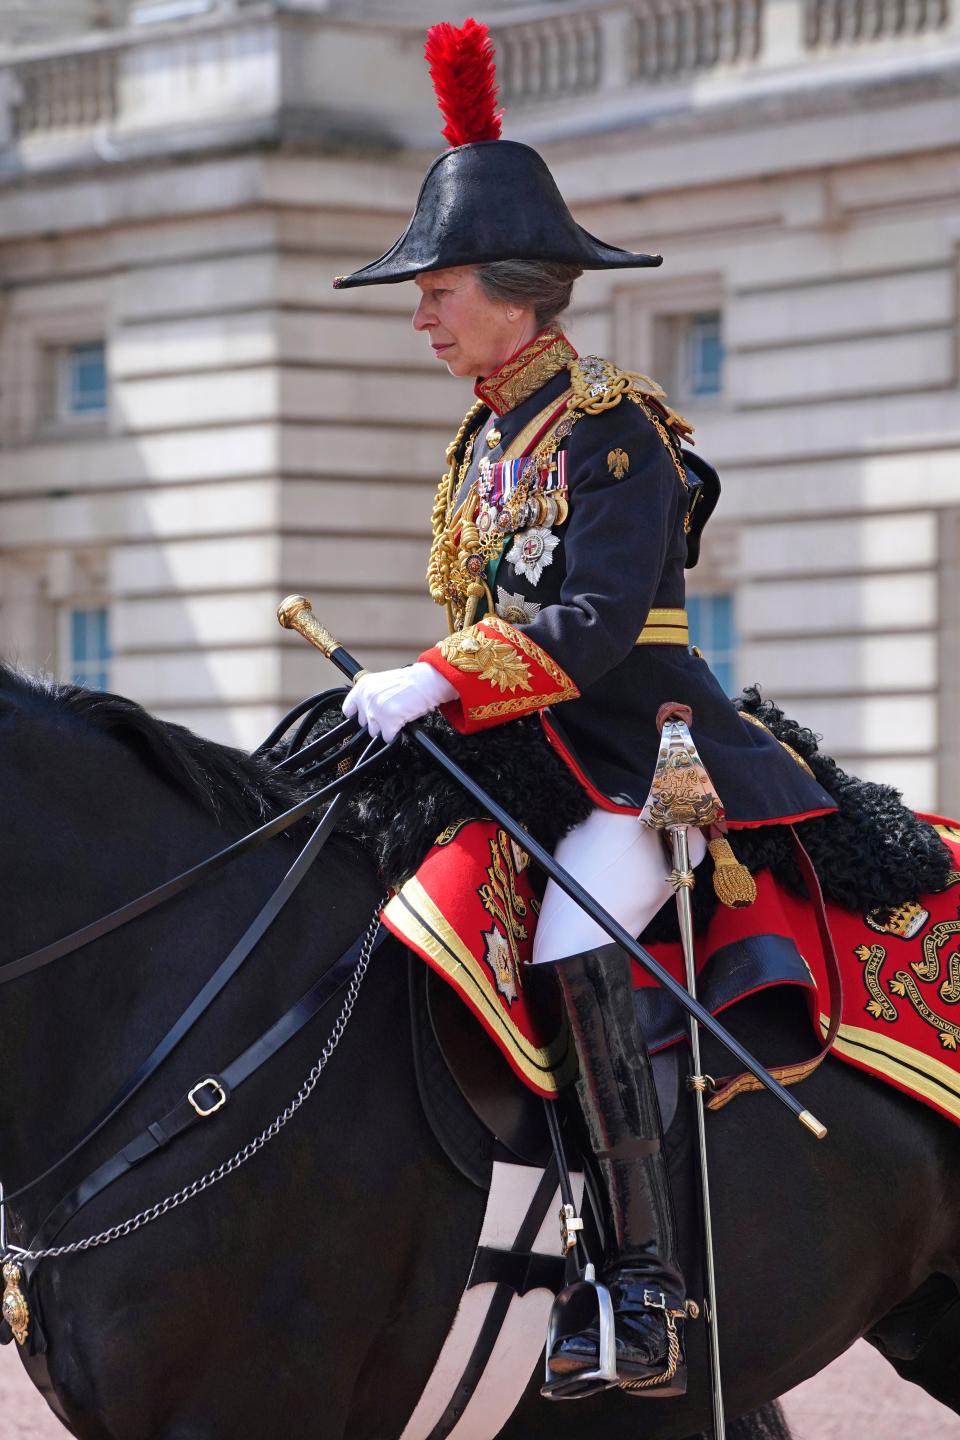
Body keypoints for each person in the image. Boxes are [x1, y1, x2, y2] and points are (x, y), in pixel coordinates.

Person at [335, 19, 838, 1395]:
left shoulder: (614, 428)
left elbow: (599, 626)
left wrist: (435, 677)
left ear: (513, 292)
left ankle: (640, 1280)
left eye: (435, 289)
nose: (421, 315)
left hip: (636, 758)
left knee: (572, 934)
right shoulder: (484, 437)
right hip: (515, 753)